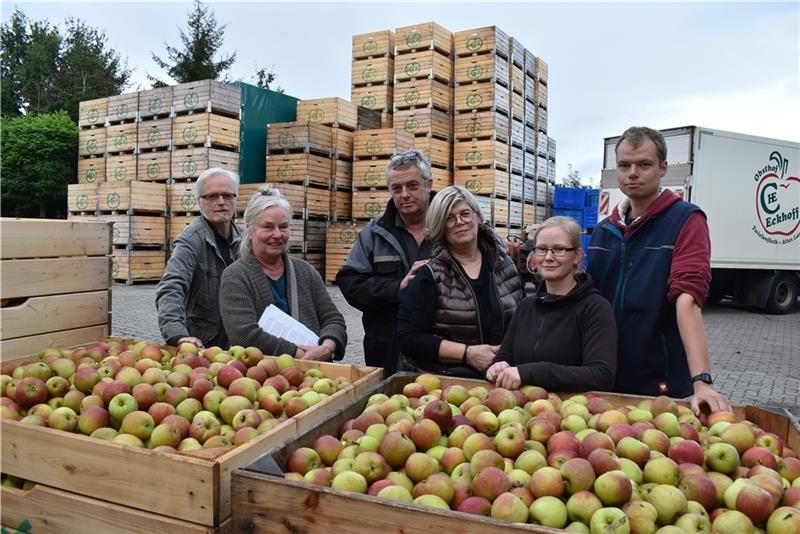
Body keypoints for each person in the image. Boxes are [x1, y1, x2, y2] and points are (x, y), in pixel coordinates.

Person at [587, 126, 731, 416]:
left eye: (644, 165)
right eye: (624, 165)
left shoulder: (686, 220)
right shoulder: (605, 230)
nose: (632, 173)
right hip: (604, 377)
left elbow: (688, 299)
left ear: (663, 168)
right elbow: (588, 301)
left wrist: (702, 382)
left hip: (659, 383)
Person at [396, 186, 524, 379]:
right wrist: (467, 354)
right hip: (443, 383)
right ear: (440, 225)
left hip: (500, 378)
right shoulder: (430, 274)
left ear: (477, 217)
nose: (459, 222)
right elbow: (408, 338)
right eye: (449, 218)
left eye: (465, 213)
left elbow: (522, 322)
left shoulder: (505, 266)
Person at [486, 216, 617, 391]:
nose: (548, 257)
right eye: (541, 249)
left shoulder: (595, 308)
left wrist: (531, 373)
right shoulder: (526, 306)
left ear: (577, 256)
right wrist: (497, 367)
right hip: (519, 412)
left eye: (559, 249)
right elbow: (505, 356)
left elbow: (601, 375)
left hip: (570, 412)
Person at [219, 186, 346, 360]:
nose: (277, 234)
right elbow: (244, 334)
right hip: (261, 377)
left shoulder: (305, 271)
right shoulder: (236, 276)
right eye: (268, 227)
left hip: (315, 372)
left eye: (283, 227)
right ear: (250, 231)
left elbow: (333, 319)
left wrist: (326, 347)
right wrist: (299, 354)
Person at [336, 149, 434, 373]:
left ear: (429, 185)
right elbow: (351, 283)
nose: (404, 194)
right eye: (396, 189)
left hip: (441, 348)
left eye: (412, 185)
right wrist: (396, 288)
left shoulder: (451, 227)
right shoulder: (374, 233)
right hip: (388, 349)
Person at [156, 167, 243, 349]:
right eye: (212, 196)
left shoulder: (246, 240)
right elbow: (171, 286)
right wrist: (177, 334)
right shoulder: (191, 239)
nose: (221, 202)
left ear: (236, 199)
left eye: (228, 195)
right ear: (199, 202)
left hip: (241, 341)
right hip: (205, 344)